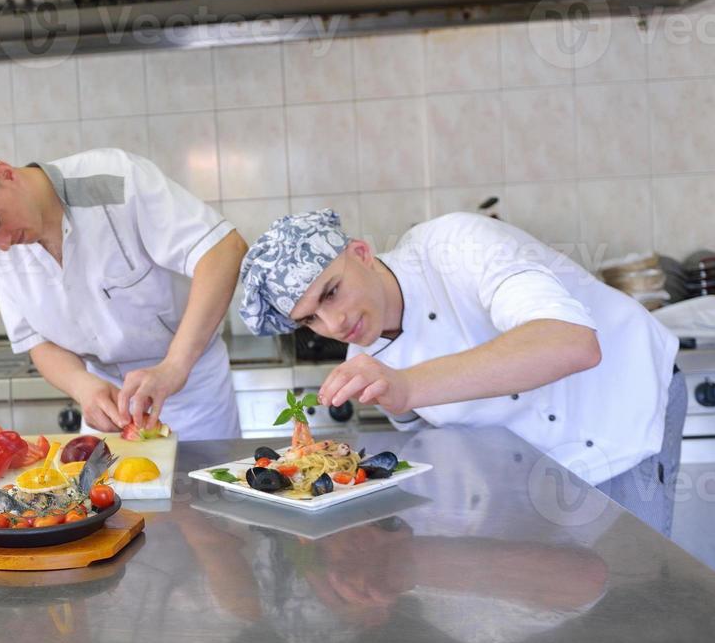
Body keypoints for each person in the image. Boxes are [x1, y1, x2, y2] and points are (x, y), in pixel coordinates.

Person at [238, 209, 684, 535]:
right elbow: (430, 433)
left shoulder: (457, 245)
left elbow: (571, 343)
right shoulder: (362, 351)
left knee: (633, 589)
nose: (332, 324)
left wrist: (409, 385)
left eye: (331, 292)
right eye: (311, 318)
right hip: (534, 457)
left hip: (618, 401)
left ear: (361, 253)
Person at [0, 144, 247, 440]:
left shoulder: (114, 180)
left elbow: (223, 251)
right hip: (108, 411)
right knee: (114, 513)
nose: (3, 245)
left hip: (192, 393)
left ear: (6, 173)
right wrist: (82, 387)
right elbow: (36, 341)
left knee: (202, 508)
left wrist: (174, 365)